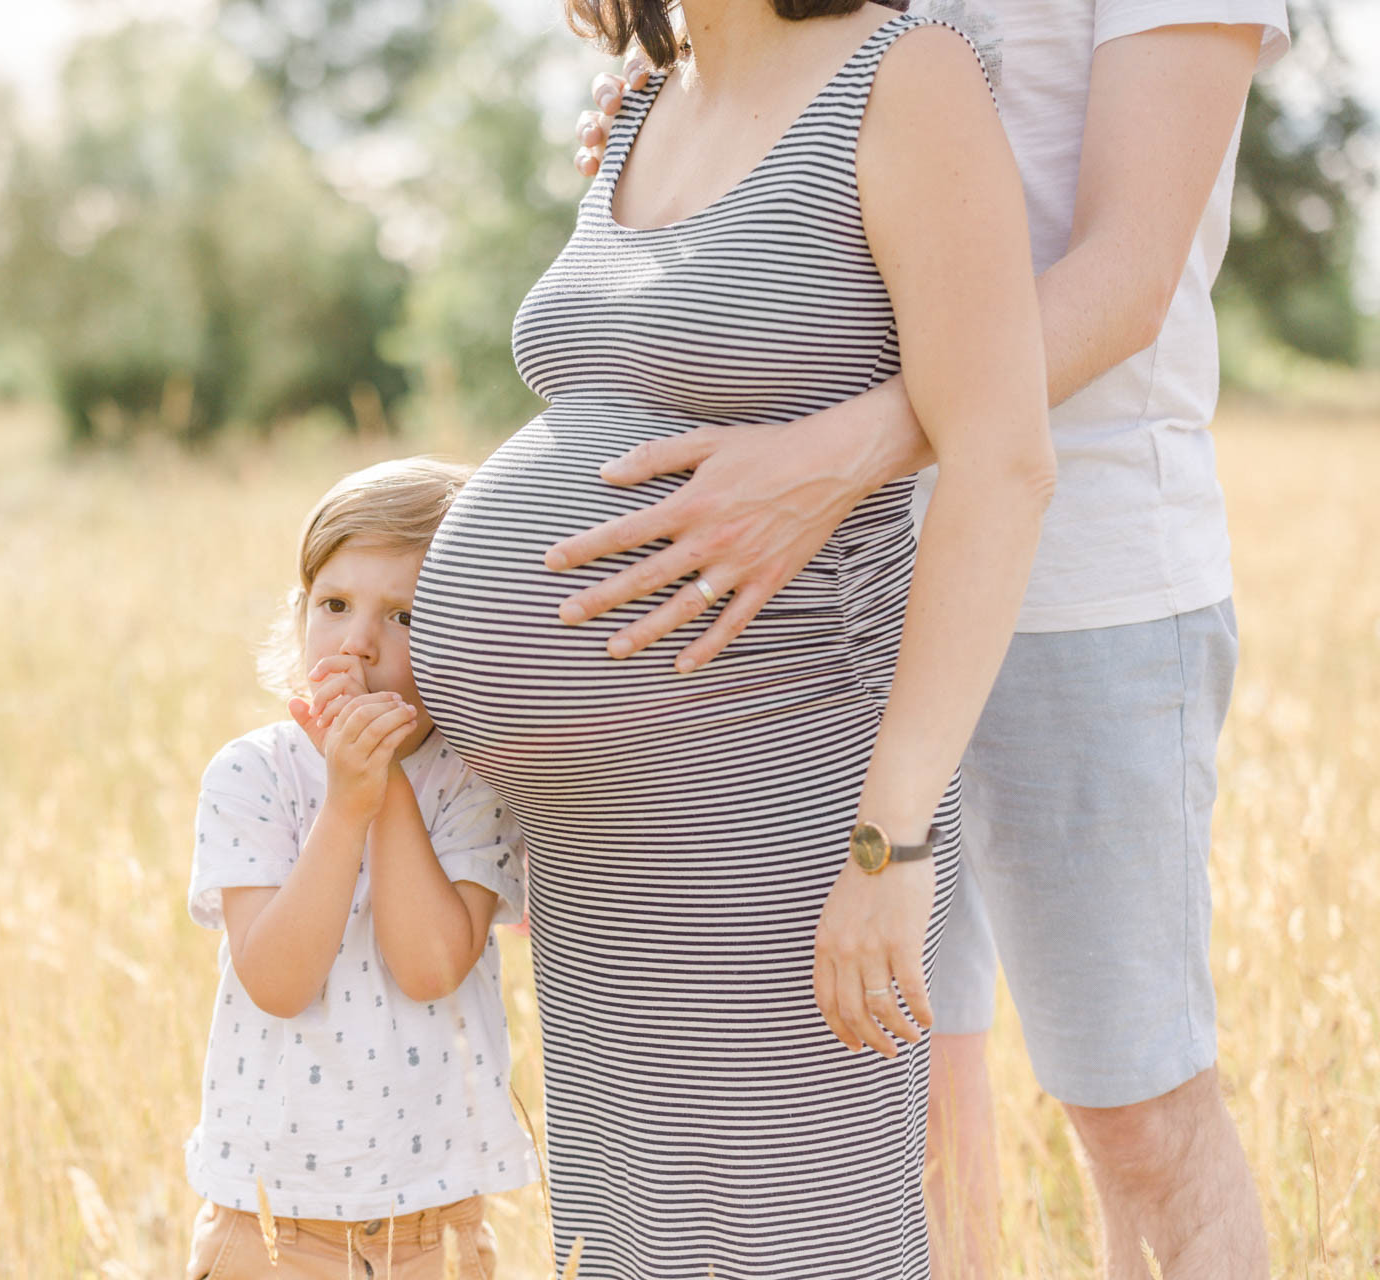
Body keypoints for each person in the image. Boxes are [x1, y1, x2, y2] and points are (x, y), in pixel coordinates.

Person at [567, 0, 1287, 1273]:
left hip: (1084, 582)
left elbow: (1128, 275)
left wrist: (837, 454)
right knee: (910, 1119)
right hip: (826, 596)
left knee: (1141, 1122)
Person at [407, 0, 1051, 1272]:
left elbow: (1004, 461)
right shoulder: (651, 96)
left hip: (776, 798)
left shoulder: (906, 77)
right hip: (605, 853)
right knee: (638, 1234)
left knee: (792, 1228)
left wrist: (891, 841)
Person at [181, 458, 538, 1280]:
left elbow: (430, 967)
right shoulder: (252, 775)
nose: (357, 642)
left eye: (404, 616)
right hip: (270, 1226)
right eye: (334, 605)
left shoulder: (474, 784)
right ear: (301, 611)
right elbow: (277, 981)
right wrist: (344, 807)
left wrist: (387, 790)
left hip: (434, 1226)